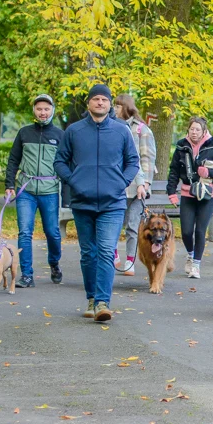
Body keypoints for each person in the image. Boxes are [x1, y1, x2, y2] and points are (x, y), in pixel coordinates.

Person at [55, 84, 139, 322]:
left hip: (113, 203)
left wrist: (120, 182)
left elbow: (133, 161)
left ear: (110, 103)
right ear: (89, 103)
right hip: (82, 203)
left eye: (104, 99)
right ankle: (91, 298)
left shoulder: (121, 130)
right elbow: (60, 161)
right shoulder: (74, 131)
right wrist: (74, 181)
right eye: (96, 99)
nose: (100, 102)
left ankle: (103, 302)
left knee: (105, 250)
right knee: (88, 253)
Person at [4, 94, 64, 288]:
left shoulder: (60, 135)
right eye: (39, 109)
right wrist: (9, 185)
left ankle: (54, 263)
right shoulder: (24, 133)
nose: (42, 112)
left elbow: (66, 163)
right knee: (24, 232)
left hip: (50, 190)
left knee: (52, 232)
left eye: (46, 109)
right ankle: (27, 275)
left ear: (52, 110)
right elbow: (13, 160)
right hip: (26, 190)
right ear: (34, 111)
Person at [166, 116, 213, 279]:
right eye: (192, 129)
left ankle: (196, 264)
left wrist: (209, 172)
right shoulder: (182, 145)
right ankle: (190, 254)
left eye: (197, 130)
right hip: (188, 192)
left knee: (200, 230)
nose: (194, 132)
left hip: (208, 194)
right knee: (186, 231)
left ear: (204, 131)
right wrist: (171, 192)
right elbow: (174, 170)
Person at [112, 94, 156, 277]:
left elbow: (147, 158)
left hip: (137, 186)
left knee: (132, 225)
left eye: (117, 106)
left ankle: (130, 261)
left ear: (126, 107)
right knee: (113, 223)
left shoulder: (141, 129)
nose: (114, 109)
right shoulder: (111, 126)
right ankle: (113, 256)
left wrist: (145, 184)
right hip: (116, 185)